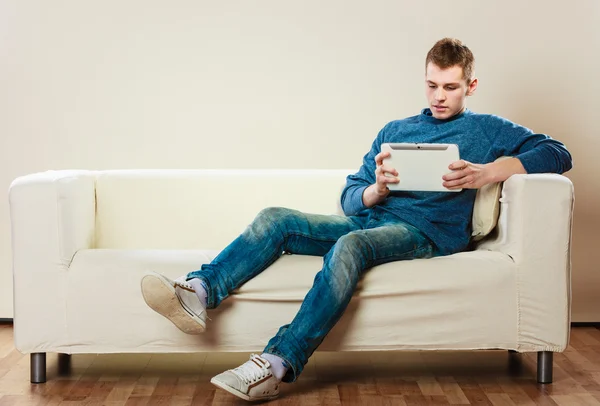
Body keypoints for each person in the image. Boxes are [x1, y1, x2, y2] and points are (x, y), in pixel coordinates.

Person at [140, 37, 573, 401]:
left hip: (427, 233)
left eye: (451, 87)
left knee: (350, 246)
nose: (440, 96)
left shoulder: (487, 129)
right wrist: (377, 189)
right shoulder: (395, 130)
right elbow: (350, 199)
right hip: (372, 220)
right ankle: (199, 291)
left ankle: (279, 361)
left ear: (470, 85)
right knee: (276, 218)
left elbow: (558, 152)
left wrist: (487, 172)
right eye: (432, 85)